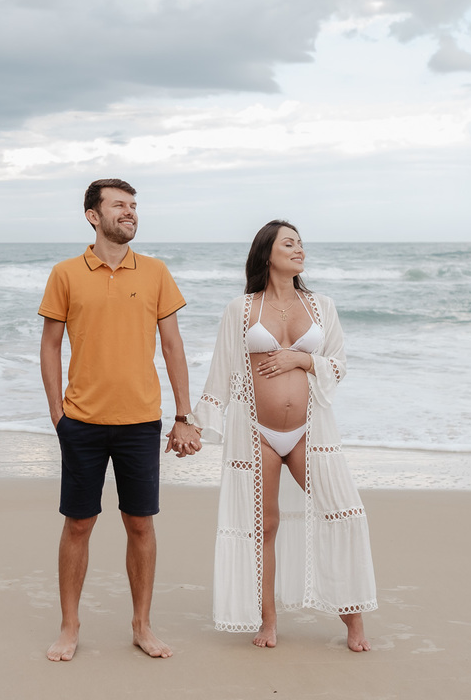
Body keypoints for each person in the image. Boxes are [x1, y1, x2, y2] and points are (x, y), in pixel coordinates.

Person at [189, 220, 377, 651]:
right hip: (254, 430)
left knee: (342, 512)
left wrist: (301, 360)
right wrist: (194, 424)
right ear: (267, 253)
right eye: (289, 243)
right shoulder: (241, 309)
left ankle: (354, 622)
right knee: (264, 527)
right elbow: (221, 373)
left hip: (310, 429)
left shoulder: (321, 306)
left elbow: (338, 364)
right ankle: (268, 622)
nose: (299, 250)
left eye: (301, 244)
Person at [38, 178, 201, 662]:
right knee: (78, 524)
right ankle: (69, 627)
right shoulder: (66, 273)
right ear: (93, 215)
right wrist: (57, 412)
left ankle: (141, 625)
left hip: (140, 422)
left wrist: (184, 415)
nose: (129, 213)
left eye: (133, 206)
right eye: (118, 206)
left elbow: (173, 346)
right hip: (82, 422)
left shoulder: (154, 272)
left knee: (140, 524)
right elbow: (49, 345)